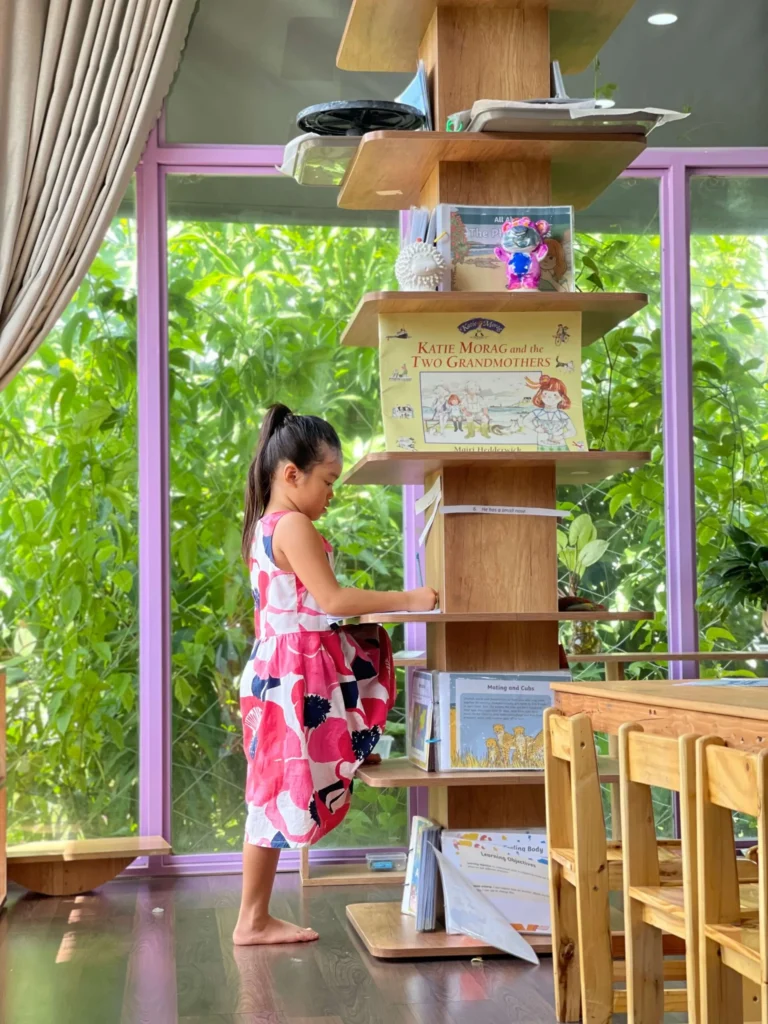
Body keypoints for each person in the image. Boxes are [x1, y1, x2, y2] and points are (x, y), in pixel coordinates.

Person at [233, 404, 437, 946]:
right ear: (291, 474)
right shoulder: (293, 524)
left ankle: (351, 744)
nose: (332, 494)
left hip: (281, 670)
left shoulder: (264, 526)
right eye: (327, 481)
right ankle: (252, 919)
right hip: (290, 675)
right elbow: (333, 599)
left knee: (272, 786)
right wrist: (410, 598)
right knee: (270, 793)